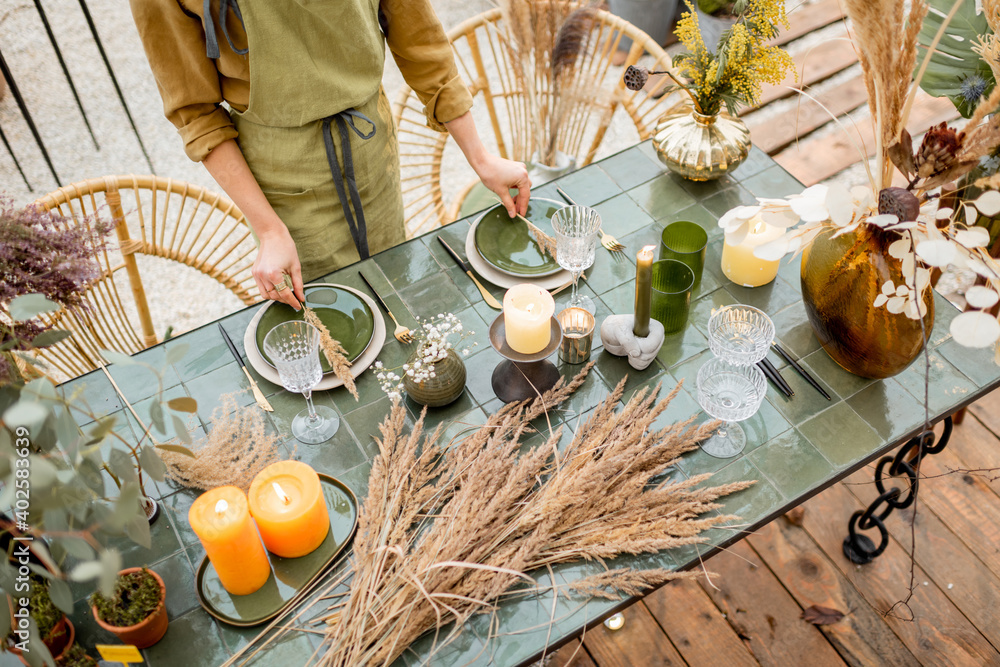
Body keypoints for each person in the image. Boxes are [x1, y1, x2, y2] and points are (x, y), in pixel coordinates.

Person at [129, 0, 531, 309]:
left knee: (397, 292)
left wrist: (481, 158)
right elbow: (196, 113)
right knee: (332, 325)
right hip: (283, 183)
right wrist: (269, 231)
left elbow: (419, 39)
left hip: (373, 151)